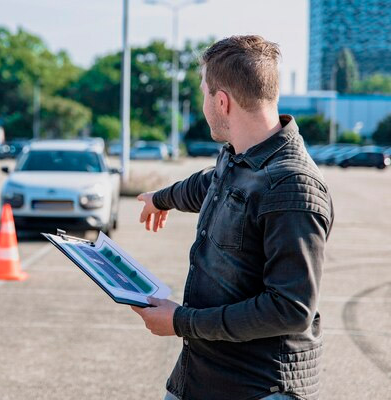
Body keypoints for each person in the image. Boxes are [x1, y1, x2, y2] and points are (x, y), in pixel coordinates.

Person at [132, 35, 334, 400]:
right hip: (202, 378)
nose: (203, 103)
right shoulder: (239, 156)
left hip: (258, 387)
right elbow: (209, 183)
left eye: (204, 93)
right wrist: (161, 198)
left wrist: (181, 322)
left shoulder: (292, 187)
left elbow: (290, 309)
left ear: (221, 101)